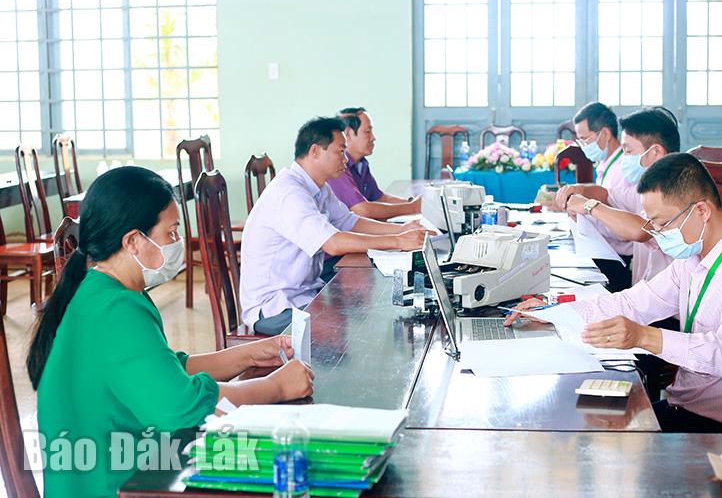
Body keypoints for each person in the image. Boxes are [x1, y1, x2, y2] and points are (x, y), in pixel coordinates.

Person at [28, 166, 315, 497]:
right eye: (172, 233)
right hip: (118, 486)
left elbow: (163, 370)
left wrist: (248, 355)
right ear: (133, 241)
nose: (178, 244)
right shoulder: (116, 309)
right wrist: (276, 386)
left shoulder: (103, 290)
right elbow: (182, 408)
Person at [509, 153, 722, 433]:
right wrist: (555, 313)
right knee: (585, 419)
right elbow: (633, 303)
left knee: (597, 437)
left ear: (702, 211)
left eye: (662, 223)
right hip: (685, 407)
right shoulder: (694, 259)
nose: (656, 232)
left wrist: (644, 336)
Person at [240, 116, 431, 336]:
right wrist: (397, 241)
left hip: (303, 292)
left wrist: (403, 230)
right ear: (315, 151)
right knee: (351, 325)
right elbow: (333, 244)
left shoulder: (318, 187)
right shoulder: (290, 193)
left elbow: (350, 222)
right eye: (340, 152)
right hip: (275, 307)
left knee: (364, 307)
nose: (345, 159)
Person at [558, 106, 681, 286]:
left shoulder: (673, 190)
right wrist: (579, 190)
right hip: (642, 288)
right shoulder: (647, 187)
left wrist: (588, 206)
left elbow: (641, 230)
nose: (624, 158)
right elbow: (608, 194)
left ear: (656, 152)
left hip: (664, 296)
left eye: (628, 151)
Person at [327, 107, 422, 220]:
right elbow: (363, 210)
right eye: (367, 131)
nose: (373, 137)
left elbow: (379, 197)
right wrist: (412, 208)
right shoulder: (337, 165)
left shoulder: (361, 163)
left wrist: (413, 203)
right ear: (348, 134)